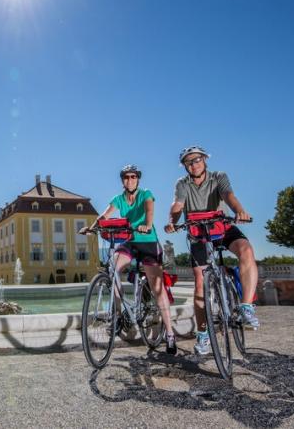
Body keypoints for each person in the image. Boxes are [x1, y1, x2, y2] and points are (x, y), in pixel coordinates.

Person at [164, 146, 259, 356]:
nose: (193, 164)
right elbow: (177, 205)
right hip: (198, 233)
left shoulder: (218, 177)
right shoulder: (182, 183)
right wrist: (172, 222)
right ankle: (203, 334)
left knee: (246, 250)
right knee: (200, 283)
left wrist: (239, 211)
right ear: (185, 166)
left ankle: (246, 306)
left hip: (221, 227)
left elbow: (228, 195)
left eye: (197, 159)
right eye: (188, 162)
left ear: (205, 160)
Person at [80, 164, 177, 355]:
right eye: (126, 177)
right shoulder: (118, 199)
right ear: (122, 180)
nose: (130, 180)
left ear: (138, 179)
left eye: (133, 177)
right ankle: (116, 316)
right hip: (129, 241)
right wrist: (92, 228)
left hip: (148, 242)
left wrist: (147, 225)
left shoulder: (145, 194)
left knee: (157, 289)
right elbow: (105, 215)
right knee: (112, 269)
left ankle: (171, 335)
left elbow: (149, 210)